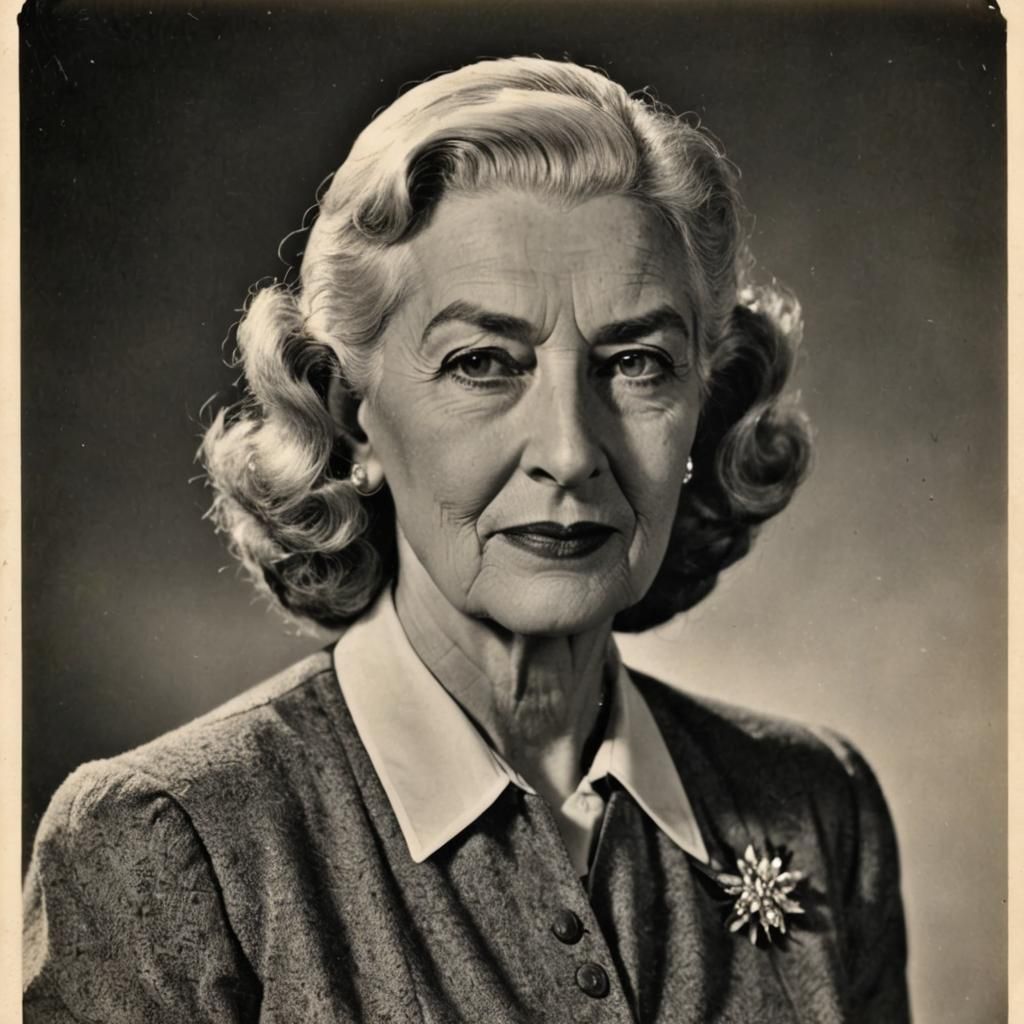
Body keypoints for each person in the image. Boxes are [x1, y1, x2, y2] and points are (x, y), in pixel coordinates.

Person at [23, 57, 909, 1022]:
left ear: (707, 398)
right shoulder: (171, 845)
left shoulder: (817, 807)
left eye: (637, 362)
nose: (570, 452)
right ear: (352, 415)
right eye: (484, 363)